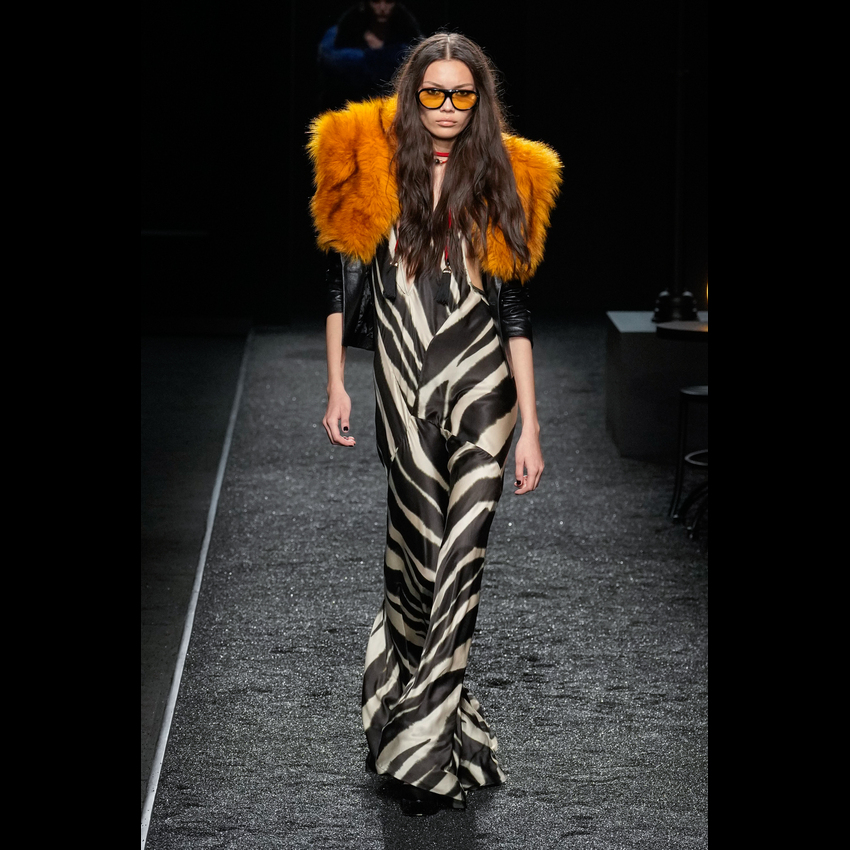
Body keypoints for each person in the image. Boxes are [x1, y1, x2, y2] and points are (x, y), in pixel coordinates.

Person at [307, 32, 562, 816]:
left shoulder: (506, 174)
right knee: (417, 560)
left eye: (462, 94)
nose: (447, 108)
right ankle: (429, 720)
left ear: (479, 100)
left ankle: (420, 753)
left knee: (463, 560)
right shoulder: (370, 168)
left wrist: (532, 424)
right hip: (402, 380)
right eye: (433, 93)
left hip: (484, 385)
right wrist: (336, 385)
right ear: (412, 95)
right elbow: (341, 283)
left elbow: (514, 310)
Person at [316, 1, 421, 110]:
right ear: (366, 3)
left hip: (392, 111)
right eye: (376, 2)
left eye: (388, 2)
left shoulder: (407, 33)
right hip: (350, 110)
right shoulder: (346, 31)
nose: (382, 8)